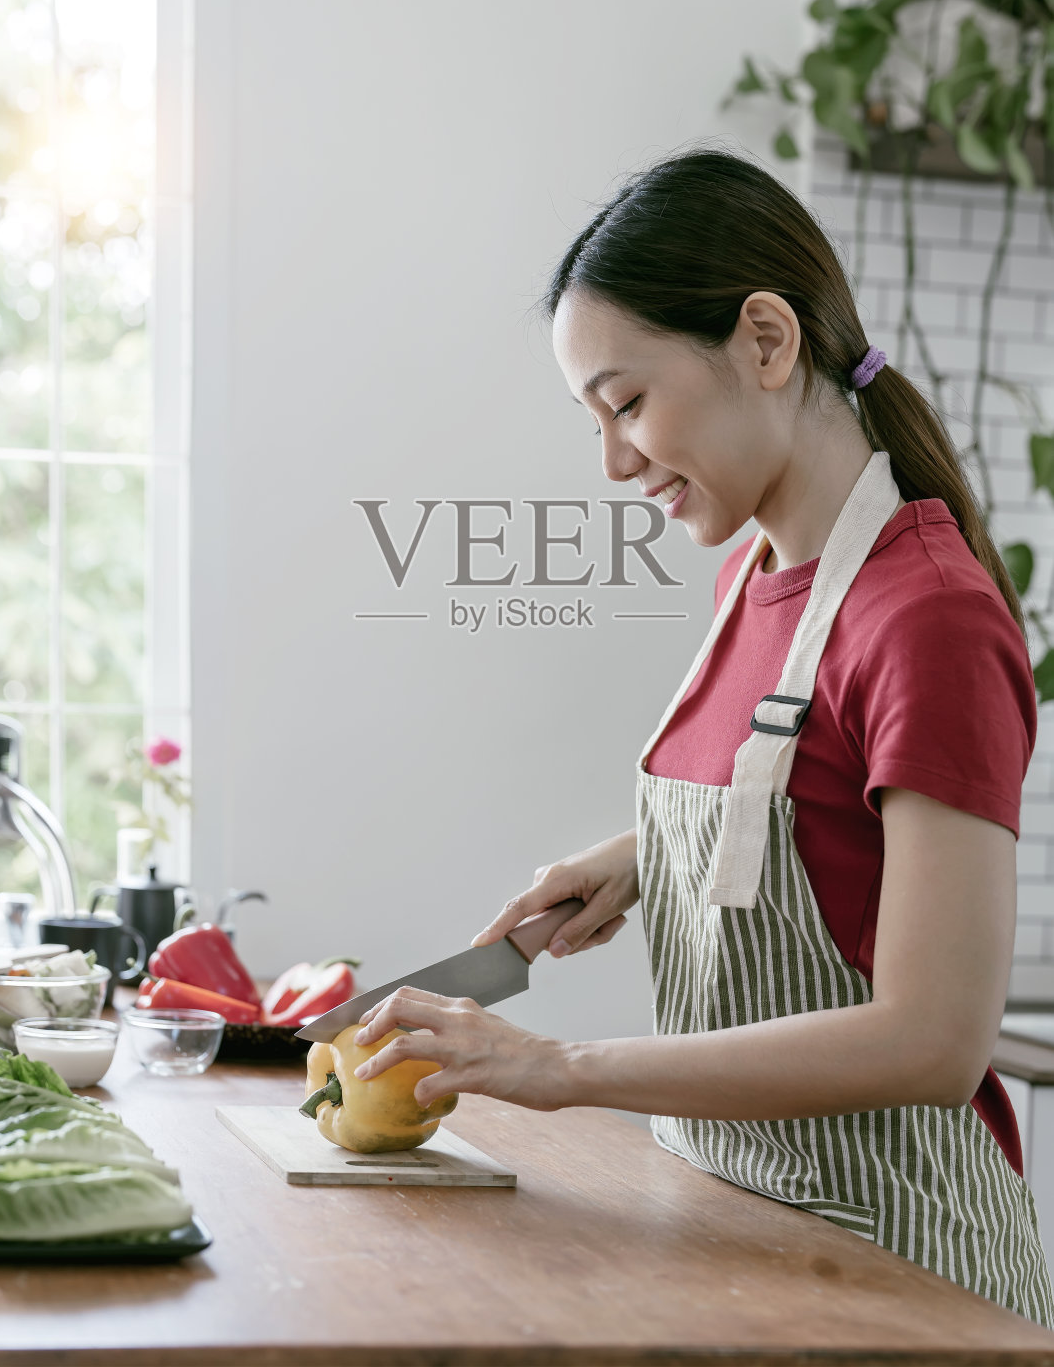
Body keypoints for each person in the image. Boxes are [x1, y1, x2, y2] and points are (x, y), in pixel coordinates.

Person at [351, 146, 1054, 1325]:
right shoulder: (757, 574)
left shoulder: (926, 613)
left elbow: (934, 1037)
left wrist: (557, 1069)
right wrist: (644, 854)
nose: (615, 460)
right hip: (739, 1229)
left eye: (626, 402)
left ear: (765, 343)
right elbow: (818, 792)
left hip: (902, 1278)